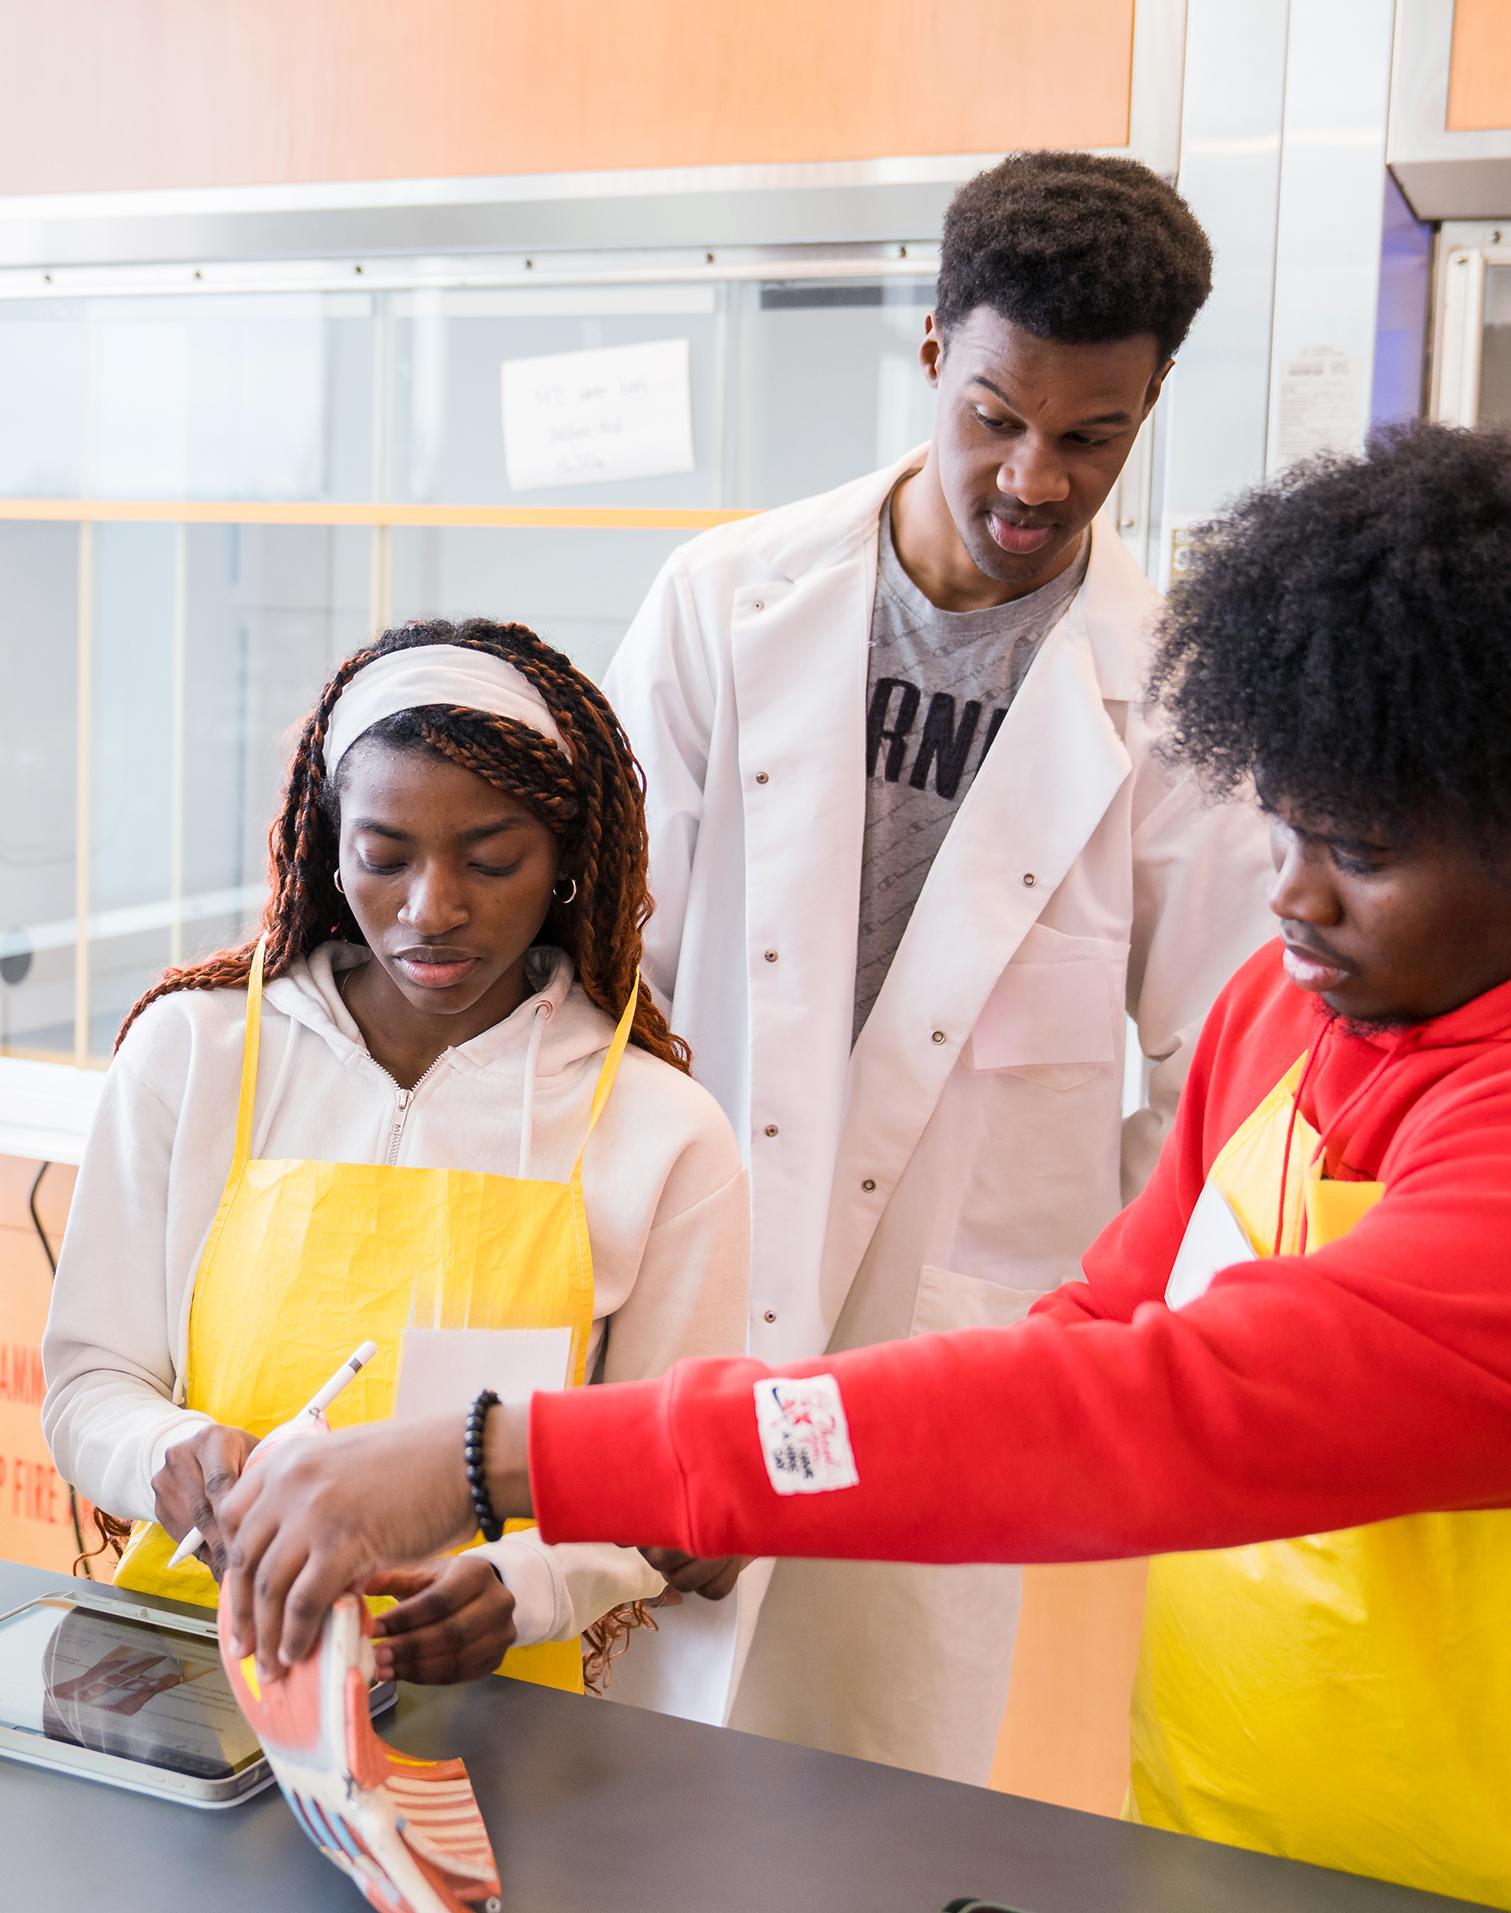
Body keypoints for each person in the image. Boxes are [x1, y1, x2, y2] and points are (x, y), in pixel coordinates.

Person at [223, 423, 1511, 1908]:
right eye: (1280, 823)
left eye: (1355, 850)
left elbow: (1137, 1409)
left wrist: (493, 1455)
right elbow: (1095, 1329)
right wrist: (685, 1492)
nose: (1286, 894)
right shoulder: (1283, 1009)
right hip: (1215, 1810)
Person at [599, 147, 1274, 1777]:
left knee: (875, 1781)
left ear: (1151, 401)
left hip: (959, 1339)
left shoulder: (1177, 692)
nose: (1033, 476)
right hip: (695, 1278)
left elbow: (1226, 1073)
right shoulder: (723, 598)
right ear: (930, 354)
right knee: (615, 1764)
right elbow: (606, 979)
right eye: (994, 414)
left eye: (1090, 436)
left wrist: (1077, 1309)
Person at [42, 617, 748, 1709]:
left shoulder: (662, 1129)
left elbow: (660, 1478)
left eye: (491, 858)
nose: (432, 908)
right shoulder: (194, 1052)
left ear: (565, 859)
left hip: (504, 1705)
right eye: (384, 855)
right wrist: (167, 1453)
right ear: (327, 844)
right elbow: (90, 1386)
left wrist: (528, 1583)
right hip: (199, 1677)